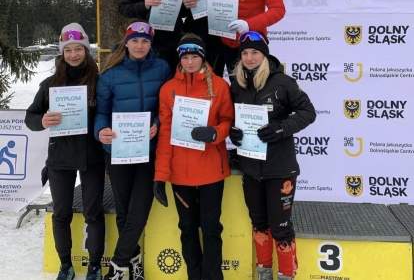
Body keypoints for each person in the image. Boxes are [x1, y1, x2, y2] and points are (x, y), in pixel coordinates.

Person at [229, 31, 316, 280]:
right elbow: (232, 120)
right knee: (259, 224)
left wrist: (281, 128)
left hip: (280, 168)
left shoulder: (282, 82)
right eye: (244, 53)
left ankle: (287, 274)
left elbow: (308, 112)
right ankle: (264, 272)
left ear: (264, 54)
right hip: (251, 169)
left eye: (255, 52)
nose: (249, 57)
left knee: (280, 227)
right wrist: (234, 134)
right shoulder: (237, 84)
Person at [25, 23, 105, 280]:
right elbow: (31, 117)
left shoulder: (99, 81)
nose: (73, 54)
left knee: (93, 212)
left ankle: (94, 265)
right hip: (60, 158)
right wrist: (42, 121)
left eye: (78, 49)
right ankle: (65, 264)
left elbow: (107, 114)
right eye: (68, 50)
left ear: (86, 50)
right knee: (61, 213)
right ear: (62, 53)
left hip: (91, 156)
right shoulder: (50, 84)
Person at [153, 33, 234, 280]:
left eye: (194, 56)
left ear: (202, 57)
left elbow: (228, 121)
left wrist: (215, 133)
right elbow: (165, 134)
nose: (189, 62)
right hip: (180, 175)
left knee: (211, 229)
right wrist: (160, 176)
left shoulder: (219, 86)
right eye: (185, 57)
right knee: (187, 229)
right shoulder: (168, 89)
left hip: (211, 171)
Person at [94, 21, 170, 280]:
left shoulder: (162, 68)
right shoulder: (110, 74)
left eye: (145, 41)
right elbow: (102, 113)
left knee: (140, 207)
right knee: (125, 210)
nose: (140, 45)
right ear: (126, 43)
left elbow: (166, 106)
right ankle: (134, 263)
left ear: (151, 45)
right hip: (117, 151)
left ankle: (117, 265)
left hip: (148, 151)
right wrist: (101, 131)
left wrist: (158, 125)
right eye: (135, 40)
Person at [181, 0, 275, 77]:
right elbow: (175, 10)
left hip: (226, 36)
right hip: (201, 37)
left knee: (242, 83)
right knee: (208, 83)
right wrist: (185, 4)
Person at [220, 0, 285, 75]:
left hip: (253, 44)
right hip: (228, 43)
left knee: (257, 89)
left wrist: (248, 25)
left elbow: (278, 10)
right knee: (237, 90)